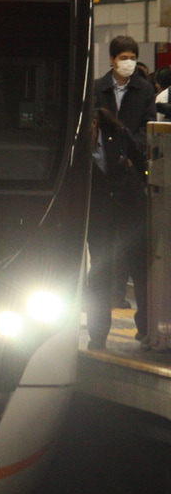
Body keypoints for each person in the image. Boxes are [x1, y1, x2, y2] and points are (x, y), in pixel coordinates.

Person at [93, 36, 156, 314]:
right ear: (111, 60)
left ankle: (146, 328)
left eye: (132, 57)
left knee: (138, 260)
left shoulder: (144, 90)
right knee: (101, 262)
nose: (128, 62)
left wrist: (130, 148)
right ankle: (97, 333)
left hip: (131, 180)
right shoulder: (97, 89)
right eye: (123, 57)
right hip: (102, 185)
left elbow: (148, 127)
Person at [86, 107, 151, 350]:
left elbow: (143, 164)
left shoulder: (117, 133)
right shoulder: (74, 145)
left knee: (140, 267)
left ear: (95, 122)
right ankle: (98, 334)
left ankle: (146, 328)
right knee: (100, 272)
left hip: (130, 209)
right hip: (99, 215)